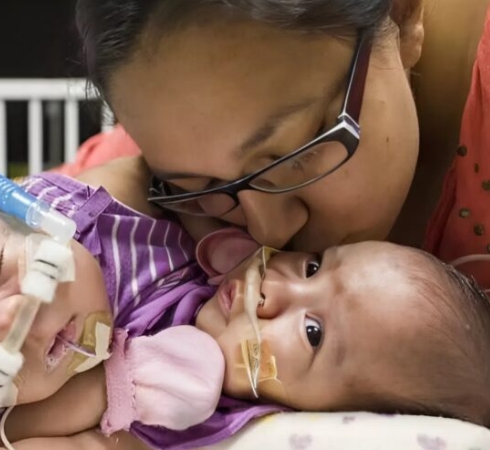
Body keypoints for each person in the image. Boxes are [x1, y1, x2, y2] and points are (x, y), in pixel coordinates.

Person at [0, 163, 489, 450]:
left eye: (311, 333)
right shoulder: (133, 226)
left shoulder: (183, 406)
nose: (9, 323)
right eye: (311, 267)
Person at [68, 0, 490, 289]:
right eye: (201, 186)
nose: (268, 232)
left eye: (296, 156)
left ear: (402, 14)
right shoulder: (182, 146)